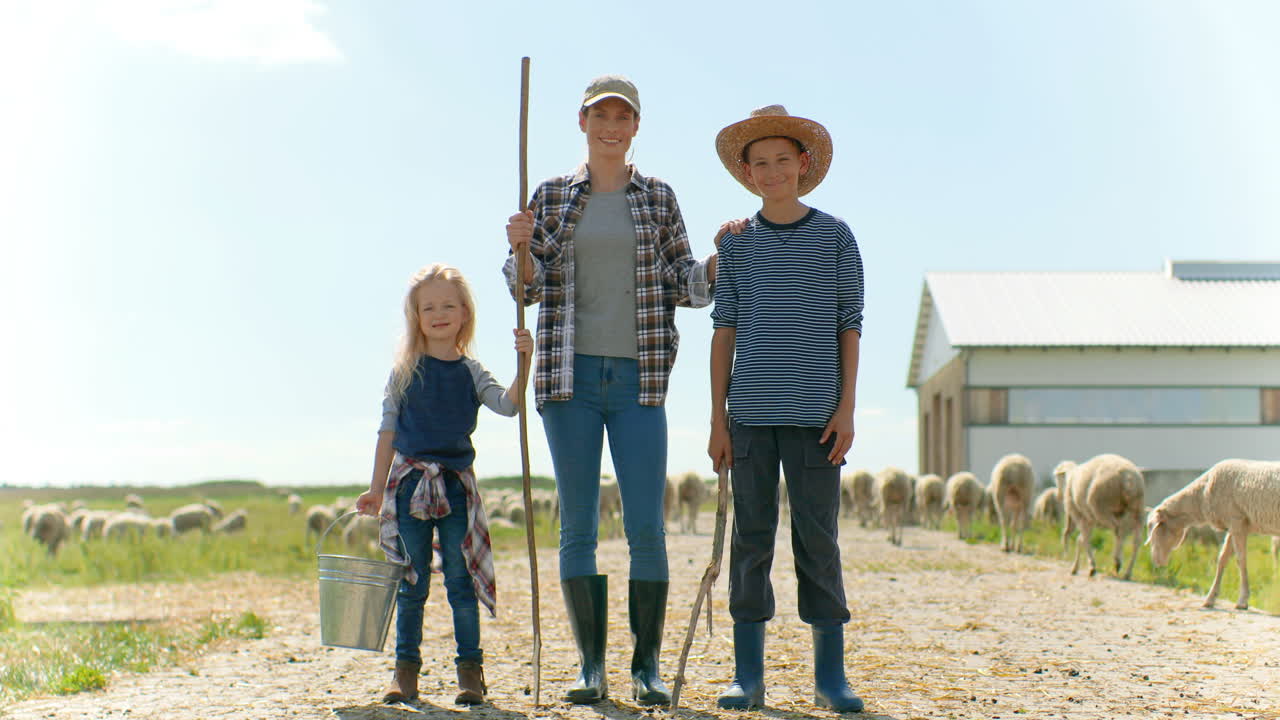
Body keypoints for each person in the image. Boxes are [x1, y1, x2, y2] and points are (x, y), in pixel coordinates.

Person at [503, 74, 718, 705]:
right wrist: (518, 250)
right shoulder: (549, 195)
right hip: (568, 380)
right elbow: (527, 287)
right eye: (601, 116)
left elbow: (683, 278)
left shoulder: (658, 197)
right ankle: (590, 667)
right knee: (578, 526)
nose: (611, 127)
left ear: (635, 127)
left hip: (639, 378)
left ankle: (646, 667)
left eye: (623, 117)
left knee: (647, 525)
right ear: (582, 122)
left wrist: (717, 263)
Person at [707, 105, 866, 713]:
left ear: (802, 165)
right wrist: (718, 419)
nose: (772, 172)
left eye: (782, 160)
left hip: (818, 417)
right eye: (760, 163)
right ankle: (749, 676)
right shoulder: (736, 244)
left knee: (817, 539)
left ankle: (831, 677)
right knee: (751, 541)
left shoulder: (836, 236)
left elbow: (849, 326)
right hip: (749, 415)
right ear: (747, 174)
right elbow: (724, 331)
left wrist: (846, 409)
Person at [355, 263, 533, 706]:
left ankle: (470, 673)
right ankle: (405, 673)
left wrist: (523, 362)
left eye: (448, 305)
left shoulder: (471, 372)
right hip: (410, 484)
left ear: (465, 313)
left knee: (460, 580)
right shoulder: (405, 372)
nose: (439, 313)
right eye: (428, 306)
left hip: (455, 487)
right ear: (415, 316)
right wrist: (376, 490)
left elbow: (509, 407)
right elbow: (387, 433)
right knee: (411, 581)